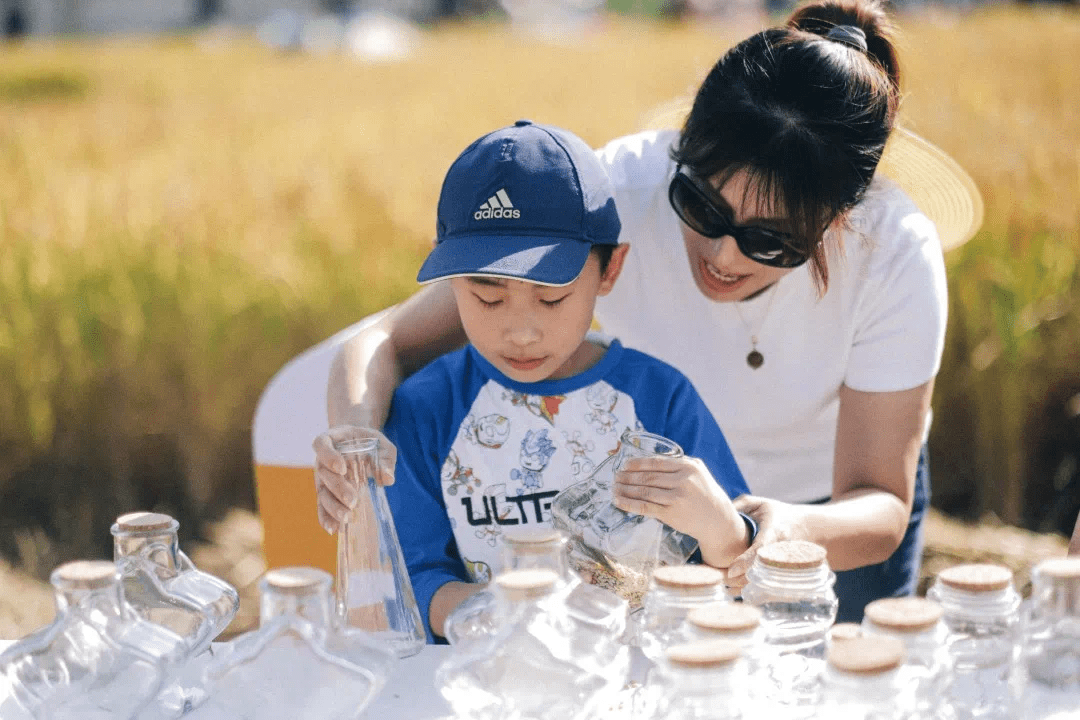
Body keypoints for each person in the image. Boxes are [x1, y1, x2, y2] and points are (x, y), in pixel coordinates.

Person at [314, 0, 971, 623]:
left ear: (838, 219)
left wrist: (761, 530)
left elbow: (880, 507)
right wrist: (354, 444)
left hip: (825, 527)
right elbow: (386, 341)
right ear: (681, 153)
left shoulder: (893, 253)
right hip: (659, 519)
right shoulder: (617, 193)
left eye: (770, 239)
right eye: (702, 207)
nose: (721, 255)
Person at [343, 119, 753, 642]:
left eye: (551, 296)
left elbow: (735, 575)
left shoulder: (659, 398)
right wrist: (510, 617)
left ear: (609, 269)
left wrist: (723, 531)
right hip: (492, 682)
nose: (519, 331)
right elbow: (413, 577)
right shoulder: (429, 408)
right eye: (486, 296)